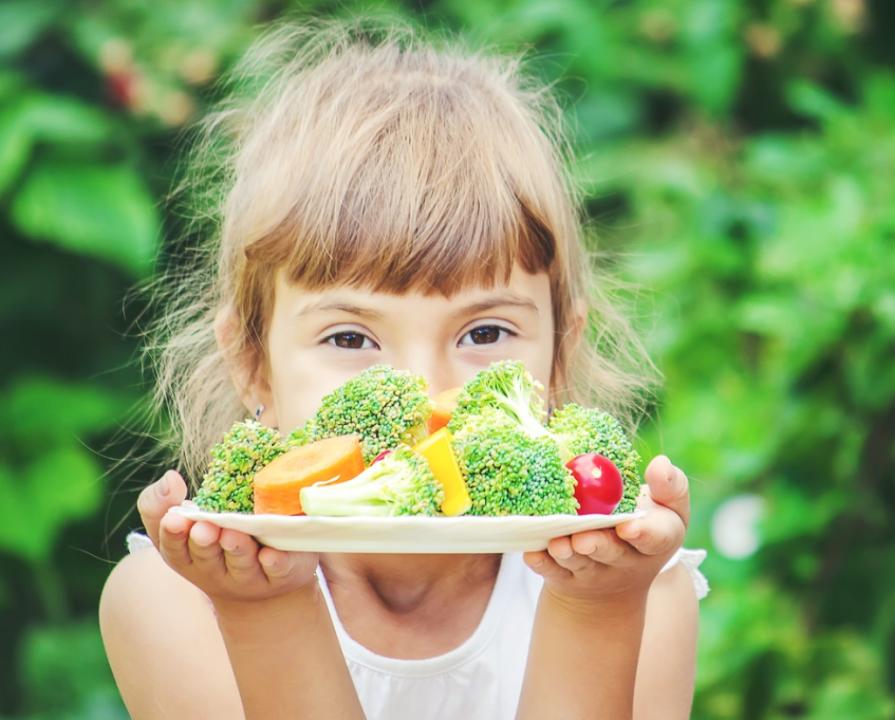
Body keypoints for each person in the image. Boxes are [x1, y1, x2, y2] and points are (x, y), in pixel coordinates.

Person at [99, 17, 707, 720]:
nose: (424, 392)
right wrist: (265, 607)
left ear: (559, 355)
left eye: (484, 330)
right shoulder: (176, 598)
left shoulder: (642, 592)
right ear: (251, 364)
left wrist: (591, 607)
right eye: (351, 339)